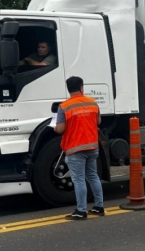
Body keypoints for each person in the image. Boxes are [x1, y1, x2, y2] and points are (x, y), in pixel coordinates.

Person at [54, 76, 104, 220]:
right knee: (93, 176)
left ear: (68, 89)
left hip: (75, 148)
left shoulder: (64, 106)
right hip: (92, 146)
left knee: (79, 179)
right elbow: (98, 121)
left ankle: (81, 211)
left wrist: (55, 128)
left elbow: (60, 129)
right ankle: (99, 207)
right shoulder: (92, 103)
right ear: (82, 88)